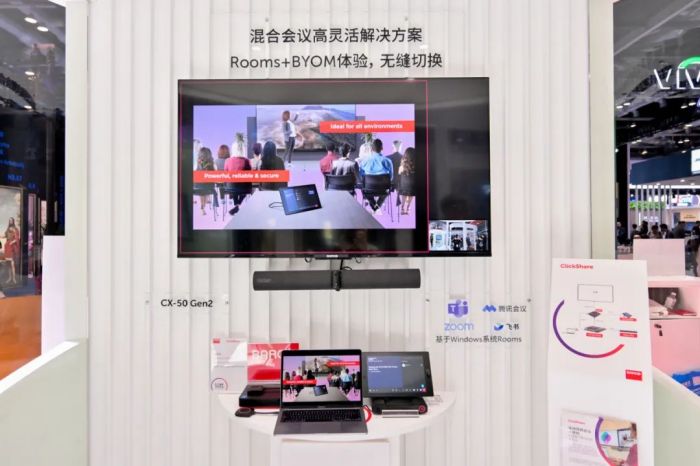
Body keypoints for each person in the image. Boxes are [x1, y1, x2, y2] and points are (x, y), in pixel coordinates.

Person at [359, 138, 393, 214]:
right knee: (387, 190)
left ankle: (374, 207)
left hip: (368, 188)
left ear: (371, 149)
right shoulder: (388, 161)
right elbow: (391, 177)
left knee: (364, 190)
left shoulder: (364, 161)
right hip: (383, 189)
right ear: (382, 148)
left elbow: (361, 176)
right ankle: (377, 207)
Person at [223, 143, 252, 215]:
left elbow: (225, 174)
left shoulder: (227, 160)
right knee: (244, 189)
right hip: (244, 188)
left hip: (230, 188)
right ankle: (237, 205)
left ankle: (236, 206)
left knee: (234, 187)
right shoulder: (247, 160)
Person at [194, 147, 216, 216]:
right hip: (209, 187)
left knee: (202, 192)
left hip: (198, 187)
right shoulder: (211, 163)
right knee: (205, 191)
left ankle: (202, 207)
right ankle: (203, 206)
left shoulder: (198, 162)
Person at [398, 147, 416, 215]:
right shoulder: (416, 164)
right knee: (411, 195)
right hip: (413, 185)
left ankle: (402, 208)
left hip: (404, 185)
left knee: (404, 195)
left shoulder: (402, 164)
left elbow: (399, 173)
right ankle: (408, 209)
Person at [4, 218, 19, 284]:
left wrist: (12, 242)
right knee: (8, 264)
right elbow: (5, 236)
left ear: (13, 221)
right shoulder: (7, 229)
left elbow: (17, 238)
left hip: (12, 247)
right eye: (9, 221)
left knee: (12, 264)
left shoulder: (15, 229)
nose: (10, 222)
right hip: (7, 247)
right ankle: (10, 278)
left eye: (11, 221)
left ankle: (14, 278)